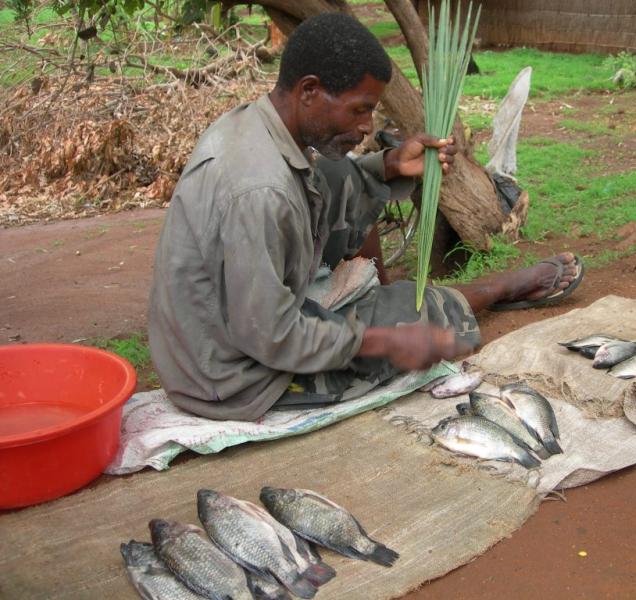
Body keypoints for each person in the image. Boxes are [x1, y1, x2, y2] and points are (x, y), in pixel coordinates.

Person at [148, 13, 582, 421]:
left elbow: (324, 184)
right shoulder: (260, 191)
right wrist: (385, 342)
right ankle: (499, 289)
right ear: (310, 90)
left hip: (217, 336)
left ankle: (396, 307)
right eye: (359, 109)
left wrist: (392, 164)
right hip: (231, 377)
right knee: (416, 320)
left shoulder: (255, 126)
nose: (366, 125)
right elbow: (271, 336)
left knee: (337, 175)